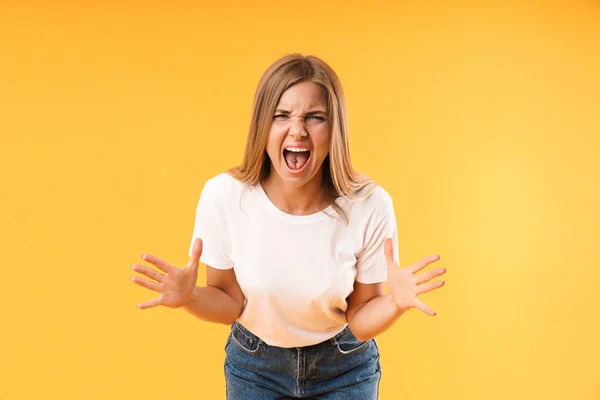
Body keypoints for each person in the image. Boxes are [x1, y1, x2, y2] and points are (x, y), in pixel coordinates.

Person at [129, 53, 447, 399]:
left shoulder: (369, 204)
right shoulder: (224, 196)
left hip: (344, 367)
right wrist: (189, 296)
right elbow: (228, 302)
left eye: (315, 117)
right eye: (281, 116)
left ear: (334, 129)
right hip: (255, 367)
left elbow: (359, 319)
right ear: (262, 126)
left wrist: (394, 304)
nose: (298, 130)